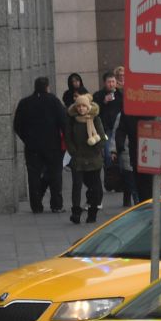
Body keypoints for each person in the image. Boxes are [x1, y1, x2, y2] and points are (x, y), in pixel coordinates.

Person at [12, 76, 67, 214]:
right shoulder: (53, 101)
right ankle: (56, 205)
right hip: (52, 145)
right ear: (47, 87)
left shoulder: (24, 102)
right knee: (55, 174)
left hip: (32, 147)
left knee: (33, 176)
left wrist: (27, 139)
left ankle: (36, 206)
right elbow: (63, 122)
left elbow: (17, 125)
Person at [66, 92, 106, 224]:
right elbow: (68, 138)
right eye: (79, 107)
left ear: (88, 106)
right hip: (78, 158)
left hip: (93, 158)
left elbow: (101, 137)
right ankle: (76, 212)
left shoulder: (95, 119)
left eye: (84, 106)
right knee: (76, 186)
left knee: (94, 186)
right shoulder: (72, 120)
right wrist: (73, 151)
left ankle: (92, 212)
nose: (81, 109)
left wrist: (96, 150)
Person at [94, 73, 125, 208]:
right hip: (105, 129)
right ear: (104, 83)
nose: (111, 84)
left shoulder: (120, 95)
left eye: (113, 82)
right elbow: (95, 111)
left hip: (118, 128)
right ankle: (110, 178)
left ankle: (118, 181)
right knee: (108, 154)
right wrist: (104, 102)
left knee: (118, 153)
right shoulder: (99, 96)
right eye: (109, 82)